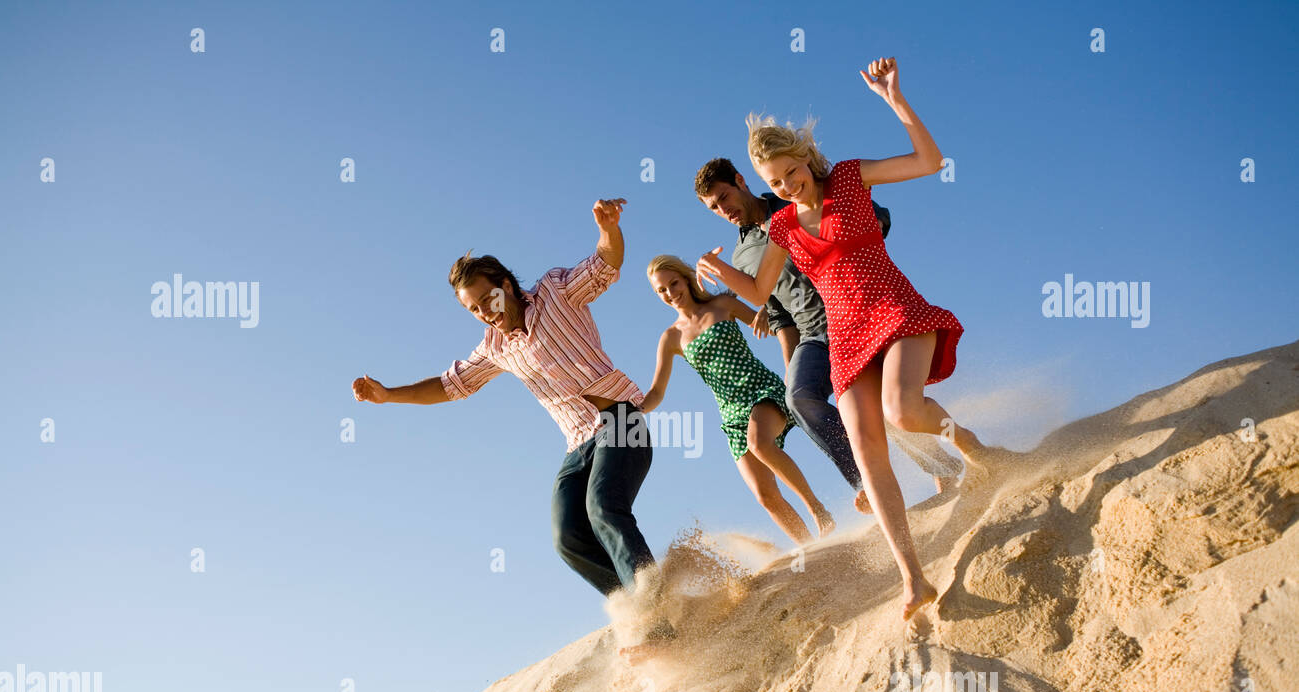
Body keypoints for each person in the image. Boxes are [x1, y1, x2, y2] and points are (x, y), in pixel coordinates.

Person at [698, 58, 995, 620]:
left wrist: (895, 101)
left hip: (894, 308)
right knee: (866, 447)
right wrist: (717, 276)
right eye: (776, 182)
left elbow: (930, 163)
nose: (787, 186)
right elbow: (763, 292)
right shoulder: (780, 226)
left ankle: (969, 444)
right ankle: (914, 579)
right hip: (845, 333)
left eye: (791, 173)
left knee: (903, 413)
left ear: (806, 159)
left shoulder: (851, 179)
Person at [352, 198, 666, 623]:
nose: (484, 313)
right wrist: (389, 394)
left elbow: (604, 264)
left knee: (604, 508)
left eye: (487, 299)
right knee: (567, 537)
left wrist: (609, 228)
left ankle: (657, 605)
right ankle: (638, 614)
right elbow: (450, 385)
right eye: (473, 309)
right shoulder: (495, 348)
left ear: (505, 283)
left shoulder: (556, 292)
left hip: (621, 421)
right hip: (578, 445)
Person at [693, 157, 963, 514]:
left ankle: (945, 467)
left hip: (857, 314)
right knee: (800, 397)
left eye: (724, 197)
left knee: (885, 407)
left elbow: (874, 214)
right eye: (713, 207)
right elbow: (779, 314)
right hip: (814, 335)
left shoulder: (795, 196)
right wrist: (792, 372)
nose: (723, 209)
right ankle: (864, 478)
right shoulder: (743, 255)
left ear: (741, 181)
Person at [642, 255, 834, 545]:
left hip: (759, 390)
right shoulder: (670, 338)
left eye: (674, 283)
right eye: (662, 290)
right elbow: (657, 392)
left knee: (760, 444)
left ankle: (819, 511)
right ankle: (813, 550)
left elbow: (771, 325)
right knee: (765, 496)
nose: (671, 293)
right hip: (730, 414)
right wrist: (632, 410)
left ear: (686, 279)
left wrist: (766, 312)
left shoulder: (722, 305)